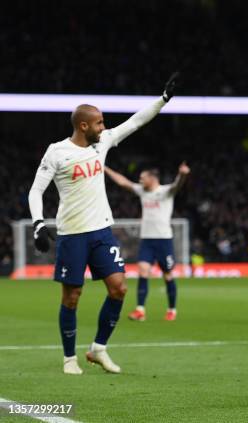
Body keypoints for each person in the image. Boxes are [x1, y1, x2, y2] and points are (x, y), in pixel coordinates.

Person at [27, 73, 178, 375]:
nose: (104, 127)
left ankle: (98, 348)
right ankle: (70, 358)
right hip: (71, 234)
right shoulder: (57, 152)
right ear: (83, 125)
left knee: (119, 288)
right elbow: (36, 190)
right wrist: (38, 224)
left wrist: (163, 99)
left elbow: (135, 122)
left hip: (101, 231)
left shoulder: (104, 142)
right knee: (72, 296)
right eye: (98, 123)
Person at [104, 162, 190, 321]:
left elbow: (178, 185)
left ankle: (172, 310)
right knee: (143, 271)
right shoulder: (142, 191)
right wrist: (105, 167)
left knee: (167, 275)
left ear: (152, 178)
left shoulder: (165, 192)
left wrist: (183, 174)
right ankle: (140, 310)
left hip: (164, 240)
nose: (140, 180)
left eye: (143, 178)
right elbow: (123, 182)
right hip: (147, 240)